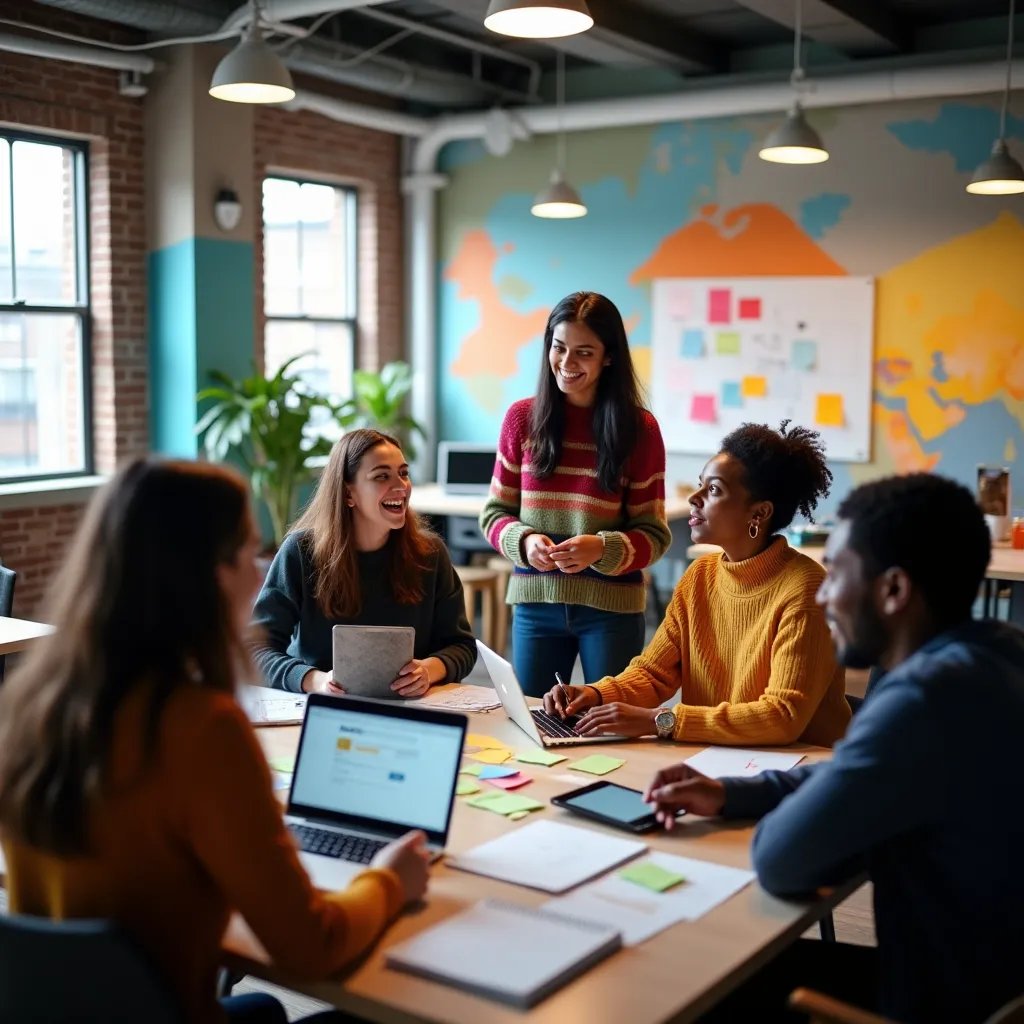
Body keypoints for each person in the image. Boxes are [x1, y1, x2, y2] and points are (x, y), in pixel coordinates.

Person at [0, 459, 431, 1024]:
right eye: (247, 554)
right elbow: (310, 945)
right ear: (203, 575)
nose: (259, 577)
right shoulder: (201, 728)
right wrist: (388, 880)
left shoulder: (34, 705)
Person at [644, 473, 1024, 1024]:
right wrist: (732, 792)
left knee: (685, 978)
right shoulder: (995, 652)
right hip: (996, 980)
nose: (822, 594)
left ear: (893, 590)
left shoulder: (919, 701)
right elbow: (862, 770)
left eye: (837, 574)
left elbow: (781, 861)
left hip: (939, 1004)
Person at [544, 420, 850, 746]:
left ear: (758, 514)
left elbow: (782, 716)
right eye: (700, 484)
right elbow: (653, 673)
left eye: (714, 489)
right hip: (715, 757)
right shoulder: (699, 576)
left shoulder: (805, 589)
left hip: (799, 769)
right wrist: (592, 694)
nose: (695, 497)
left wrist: (660, 721)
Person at [480, 291, 671, 697]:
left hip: (611, 610)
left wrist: (602, 549)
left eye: (584, 352)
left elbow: (654, 535)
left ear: (609, 357)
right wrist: (524, 540)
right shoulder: (521, 419)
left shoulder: (640, 430)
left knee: (610, 726)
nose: (566, 364)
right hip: (535, 605)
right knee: (532, 723)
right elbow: (494, 514)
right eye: (559, 347)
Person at [252, 428, 476, 696]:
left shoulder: (431, 553)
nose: (401, 486)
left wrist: (429, 670)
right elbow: (256, 648)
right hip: (322, 709)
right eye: (382, 476)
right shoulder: (300, 552)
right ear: (348, 494)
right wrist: (314, 681)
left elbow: (461, 646)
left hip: (411, 714)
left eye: (403, 473)